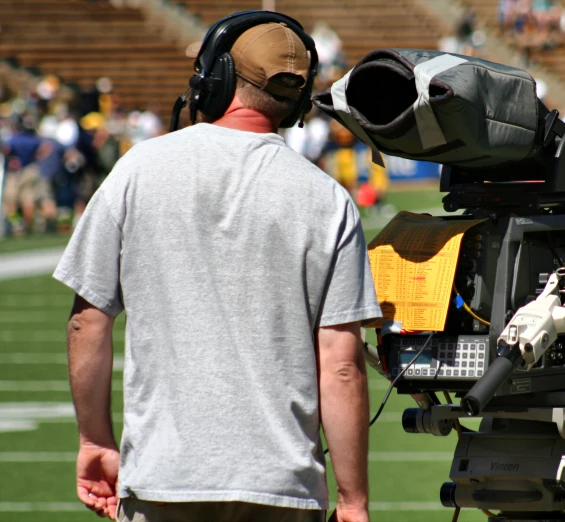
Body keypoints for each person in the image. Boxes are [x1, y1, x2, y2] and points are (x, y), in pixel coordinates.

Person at [53, 12, 381, 522]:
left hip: (164, 477)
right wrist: (353, 500)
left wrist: (95, 440)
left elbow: (86, 320)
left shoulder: (139, 168)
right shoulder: (328, 199)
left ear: (216, 77)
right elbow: (341, 364)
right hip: (283, 485)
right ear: (295, 100)